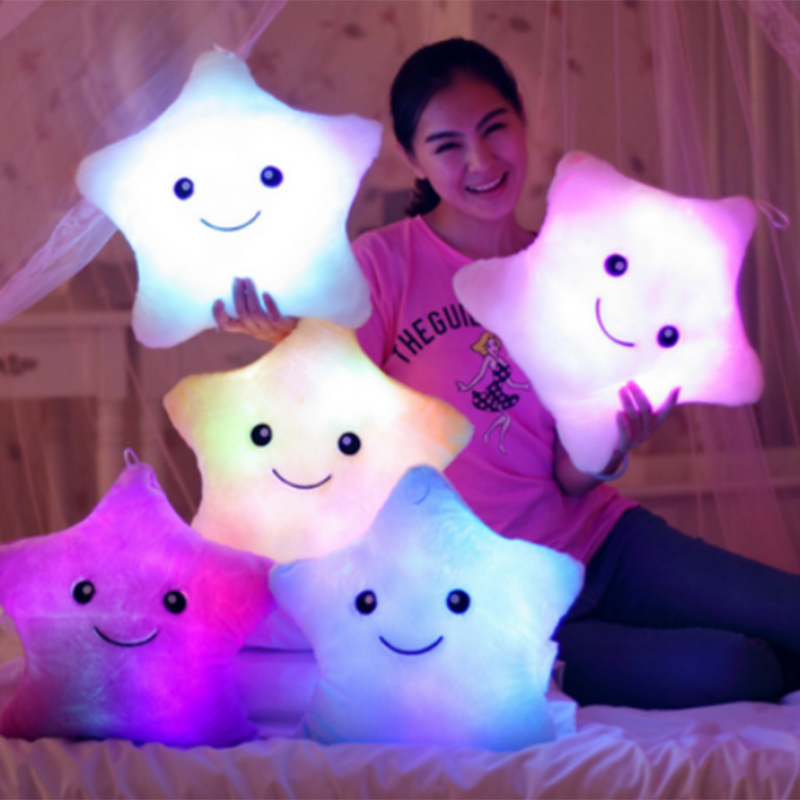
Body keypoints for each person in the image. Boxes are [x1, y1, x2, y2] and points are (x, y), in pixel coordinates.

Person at [215, 38, 800, 710]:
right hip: (502, 605)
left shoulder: (572, 266)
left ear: (522, 117)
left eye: (494, 128)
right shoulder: (383, 267)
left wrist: (612, 443)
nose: (482, 161)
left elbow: (567, 475)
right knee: (740, 670)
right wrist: (290, 344)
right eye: (448, 145)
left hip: (604, 545)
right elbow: (336, 431)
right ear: (414, 159)